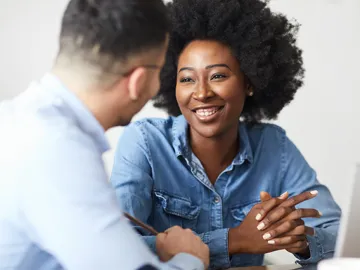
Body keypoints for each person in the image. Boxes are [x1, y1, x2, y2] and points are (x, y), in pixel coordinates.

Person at [110, 0, 341, 269]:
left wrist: (300, 240)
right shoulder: (146, 143)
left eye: (218, 75)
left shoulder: (274, 148)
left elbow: (339, 234)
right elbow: (116, 247)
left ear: (250, 81)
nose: (201, 92)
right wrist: (234, 240)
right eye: (187, 79)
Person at [0, 0, 210, 269]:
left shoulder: (15, 121)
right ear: (138, 81)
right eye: (160, 71)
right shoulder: (57, 148)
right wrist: (191, 258)